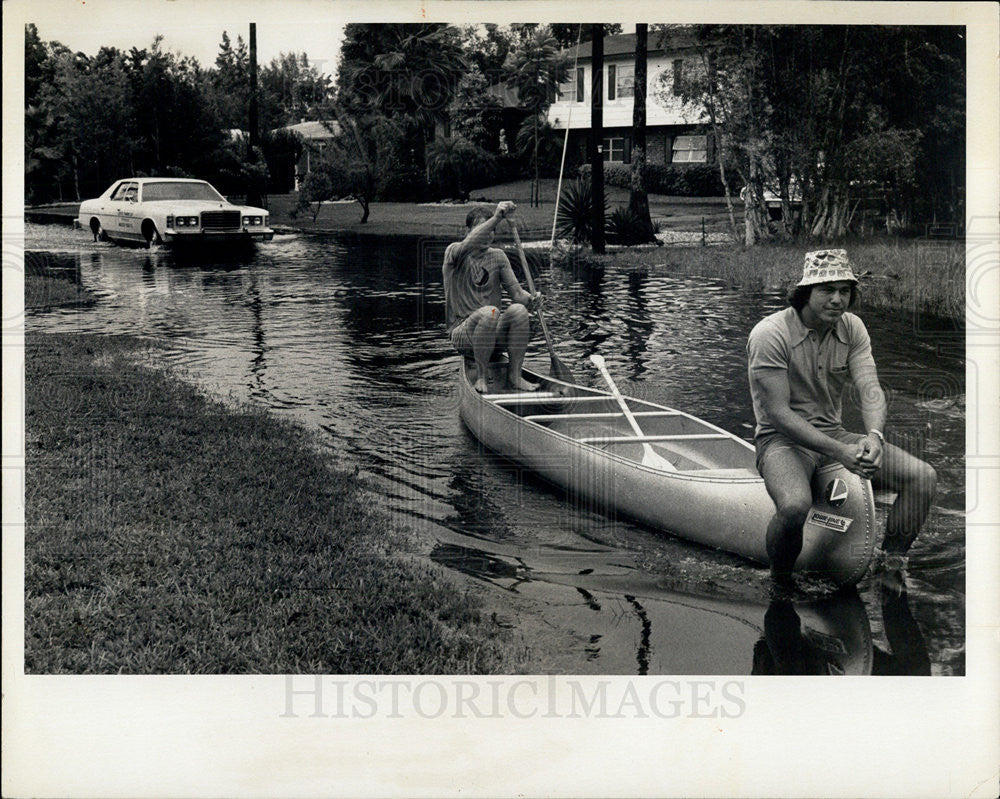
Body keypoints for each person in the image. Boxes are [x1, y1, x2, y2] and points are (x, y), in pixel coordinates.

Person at [746, 249, 937, 586]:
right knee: (793, 507)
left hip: (834, 435)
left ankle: (890, 565)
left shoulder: (853, 327)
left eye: (845, 291)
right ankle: (780, 583)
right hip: (781, 441)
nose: (837, 300)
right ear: (805, 293)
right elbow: (777, 414)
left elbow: (870, 390)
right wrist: (840, 453)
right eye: (827, 290)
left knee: (922, 477)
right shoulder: (769, 334)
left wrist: (874, 436)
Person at [443, 201, 542, 393]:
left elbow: (518, 296)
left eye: (492, 229)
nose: (488, 234)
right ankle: (481, 377)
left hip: (491, 330)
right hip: (462, 333)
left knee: (519, 311)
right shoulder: (454, 253)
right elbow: (468, 243)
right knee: (490, 313)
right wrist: (497, 217)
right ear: (468, 232)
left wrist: (532, 300)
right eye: (482, 229)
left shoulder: (498, 256)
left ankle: (515, 376)